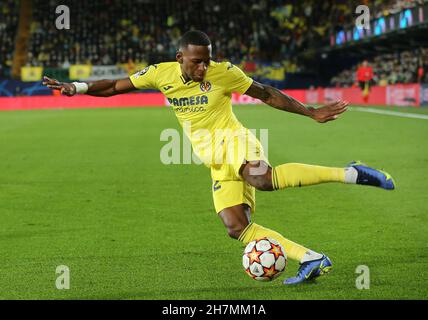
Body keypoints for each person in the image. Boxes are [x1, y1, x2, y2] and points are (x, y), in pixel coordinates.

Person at [43, 30, 395, 285]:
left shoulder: (223, 72)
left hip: (236, 142)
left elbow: (267, 93)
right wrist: (79, 88)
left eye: (207, 60)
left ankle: (350, 173)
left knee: (262, 178)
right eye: (197, 62)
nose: (203, 68)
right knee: (235, 227)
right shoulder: (160, 73)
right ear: (180, 58)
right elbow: (118, 86)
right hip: (213, 158)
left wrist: (311, 112)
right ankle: (310, 258)